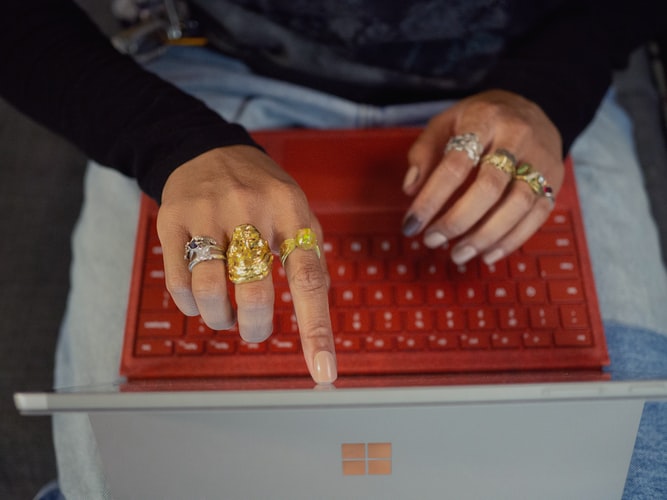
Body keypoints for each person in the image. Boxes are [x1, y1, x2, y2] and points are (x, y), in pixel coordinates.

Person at [2, 0, 667, 497]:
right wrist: (171, 146)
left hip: (533, 91)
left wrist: (549, 92)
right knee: (137, 482)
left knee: (628, 473)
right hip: (198, 83)